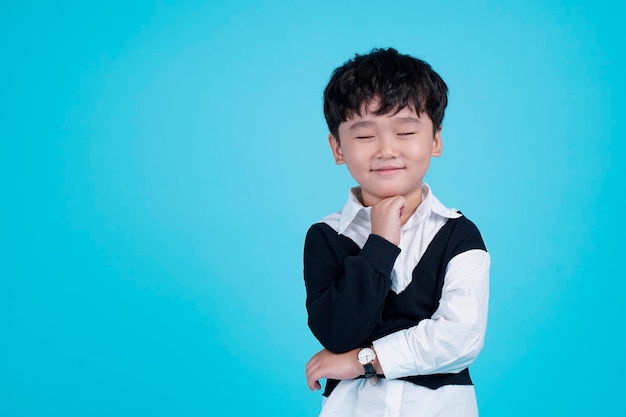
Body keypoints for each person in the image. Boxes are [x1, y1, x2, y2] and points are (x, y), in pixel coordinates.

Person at [303, 48, 490, 417]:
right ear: (337, 148)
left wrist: (362, 361)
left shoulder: (459, 235)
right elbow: (336, 333)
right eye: (364, 136)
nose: (387, 150)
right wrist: (381, 244)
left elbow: (459, 339)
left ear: (435, 140)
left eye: (405, 131)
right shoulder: (325, 236)